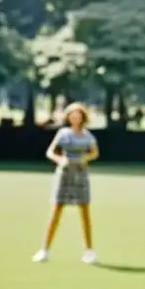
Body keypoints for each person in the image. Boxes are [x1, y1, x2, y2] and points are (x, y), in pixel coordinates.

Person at [33, 102, 99, 264]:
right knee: (56, 209)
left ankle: (89, 251)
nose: (75, 118)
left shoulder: (87, 135)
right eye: (72, 115)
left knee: (84, 210)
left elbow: (94, 152)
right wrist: (60, 159)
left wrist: (86, 158)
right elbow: (50, 151)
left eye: (78, 115)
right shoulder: (63, 133)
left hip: (81, 174)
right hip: (64, 174)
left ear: (83, 117)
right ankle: (44, 250)